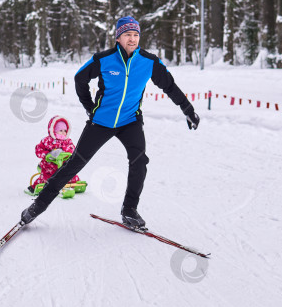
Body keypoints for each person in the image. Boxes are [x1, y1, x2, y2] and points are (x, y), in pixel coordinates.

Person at [18, 16, 200, 229]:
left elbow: (170, 86)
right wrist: (89, 106)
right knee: (74, 163)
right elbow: (79, 79)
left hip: (130, 121)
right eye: (127, 35)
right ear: (118, 37)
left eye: (135, 35)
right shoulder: (104, 59)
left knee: (139, 161)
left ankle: (130, 210)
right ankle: (37, 207)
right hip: (101, 123)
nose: (132, 39)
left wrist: (188, 110)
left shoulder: (149, 62)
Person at [29, 116, 81, 193]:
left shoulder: (67, 141)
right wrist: (48, 155)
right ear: (54, 130)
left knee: (70, 174)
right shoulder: (47, 141)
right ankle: (33, 188)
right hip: (50, 166)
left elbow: (72, 148)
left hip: (64, 165)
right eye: (61, 130)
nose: (63, 132)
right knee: (46, 178)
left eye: (65, 130)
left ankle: (75, 184)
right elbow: (39, 150)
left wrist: (64, 151)